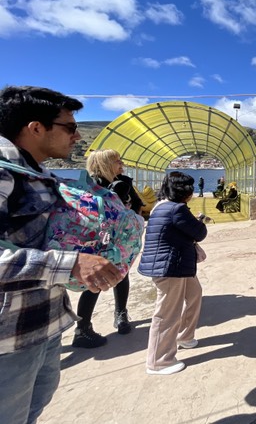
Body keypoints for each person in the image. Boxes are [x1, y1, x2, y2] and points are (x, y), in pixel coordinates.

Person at [0, 85, 123, 424]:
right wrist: (72, 264)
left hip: (42, 325)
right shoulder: (4, 171)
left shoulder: (39, 175)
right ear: (36, 128)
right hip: (8, 339)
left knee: (32, 411)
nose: (77, 136)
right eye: (69, 127)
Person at [71, 149, 144, 348]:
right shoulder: (90, 185)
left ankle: (121, 314)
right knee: (94, 279)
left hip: (119, 239)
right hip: (96, 240)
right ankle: (82, 328)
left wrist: (128, 217)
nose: (122, 165)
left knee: (121, 273)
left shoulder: (123, 182)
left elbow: (138, 205)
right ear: (104, 163)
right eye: (117, 161)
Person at [138, 171, 207, 375]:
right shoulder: (177, 209)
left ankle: (185, 336)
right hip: (170, 267)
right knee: (167, 313)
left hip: (175, 264)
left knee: (194, 294)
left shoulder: (162, 206)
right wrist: (200, 221)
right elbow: (199, 233)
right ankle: (158, 361)